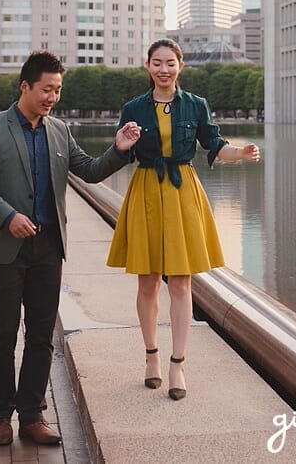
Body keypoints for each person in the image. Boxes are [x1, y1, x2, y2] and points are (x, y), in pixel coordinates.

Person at [0, 50, 141, 447]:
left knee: (41, 334)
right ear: (24, 86)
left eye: (58, 90)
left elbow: (90, 171)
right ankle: (1, 416)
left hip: (48, 247)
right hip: (4, 248)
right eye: (47, 89)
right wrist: (7, 216)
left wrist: (120, 149)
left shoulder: (59, 130)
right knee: (3, 334)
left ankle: (32, 416)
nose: (52, 97)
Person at [106, 39, 261, 401]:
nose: (164, 69)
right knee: (147, 283)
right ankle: (151, 358)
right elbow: (120, 151)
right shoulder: (132, 108)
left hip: (181, 191)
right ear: (147, 66)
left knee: (180, 282)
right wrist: (120, 145)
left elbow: (214, 142)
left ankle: (178, 364)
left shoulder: (196, 105)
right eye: (157, 63)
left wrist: (241, 152)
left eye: (170, 63)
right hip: (145, 188)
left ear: (180, 67)